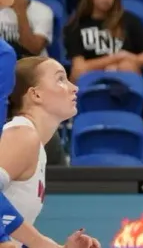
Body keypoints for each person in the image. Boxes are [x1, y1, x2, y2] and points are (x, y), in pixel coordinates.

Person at [0, 57, 100, 248]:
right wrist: (40, 242)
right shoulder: (22, 134)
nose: (74, 88)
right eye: (60, 79)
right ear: (35, 94)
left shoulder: (36, 146)